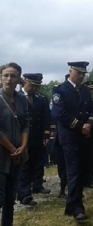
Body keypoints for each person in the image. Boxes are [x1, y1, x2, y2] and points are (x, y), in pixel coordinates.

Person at [51, 61, 93, 222]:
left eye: (84, 74)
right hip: (70, 137)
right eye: (79, 73)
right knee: (74, 171)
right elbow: (60, 114)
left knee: (83, 170)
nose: (81, 76)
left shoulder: (85, 90)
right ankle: (78, 208)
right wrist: (80, 126)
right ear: (71, 71)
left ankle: (70, 205)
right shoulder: (60, 90)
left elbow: (92, 109)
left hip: (85, 136)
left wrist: (90, 124)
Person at [0, 63, 29, 226]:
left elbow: (26, 124)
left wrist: (23, 146)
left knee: (10, 199)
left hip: (17, 156)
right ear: (1, 78)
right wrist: (12, 148)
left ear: (19, 79)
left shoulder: (22, 99)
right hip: (2, 157)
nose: (10, 79)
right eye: (6, 75)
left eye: (14, 76)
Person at [17, 73, 51, 208]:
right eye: (32, 86)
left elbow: (45, 118)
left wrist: (46, 135)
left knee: (38, 162)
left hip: (37, 136)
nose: (35, 89)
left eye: (37, 86)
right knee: (25, 165)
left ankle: (37, 185)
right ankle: (24, 193)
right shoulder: (17, 97)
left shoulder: (41, 99)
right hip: (22, 137)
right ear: (25, 82)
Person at [82, 80, 93, 189]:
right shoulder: (81, 101)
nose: (90, 91)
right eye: (88, 89)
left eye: (91, 89)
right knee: (81, 157)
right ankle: (82, 179)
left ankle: (89, 180)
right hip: (82, 131)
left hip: (92, 131)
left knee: (91, 156)